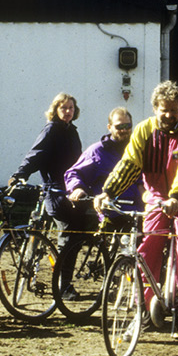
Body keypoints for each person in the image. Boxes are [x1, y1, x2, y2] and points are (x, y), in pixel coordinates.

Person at [94, 80, 178, 342]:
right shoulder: (144, 131)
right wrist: (108, 192)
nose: (168, 115)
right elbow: (130, 163)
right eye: (163, 109)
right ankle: (143, 308)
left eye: (174, 109)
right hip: (157, 196)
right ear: (155, 108)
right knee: (147, 251)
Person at [60, 107, 142, 296]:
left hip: (137, 210)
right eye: (119, 126)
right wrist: (77, 188)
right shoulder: (98, 151)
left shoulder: (137, 149)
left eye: (127, 125)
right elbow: (74, 172)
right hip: (110, 211)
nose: (124, 129)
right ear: (109, 127)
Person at [10, 92, 83, 263]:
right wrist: (20, 173)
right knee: (67, 233)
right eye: (63, 108)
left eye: (71, 108)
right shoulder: (51, 129)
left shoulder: (72, 131)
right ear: (56, 109)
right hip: (55, 190)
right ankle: (62, 281)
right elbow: (36, 154)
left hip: (71, 189)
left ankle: (59, 271)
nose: (67, 111)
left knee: (78, 232)